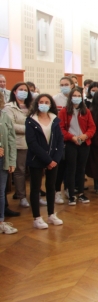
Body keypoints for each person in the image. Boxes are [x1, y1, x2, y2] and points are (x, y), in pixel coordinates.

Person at [25, 94, 64, 229]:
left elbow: (59, 140)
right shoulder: (31, 120)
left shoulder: (55, 120)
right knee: (35, 188)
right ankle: (37, 218)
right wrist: (47, 160)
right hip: (37, 158)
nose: (44, 104)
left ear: (50, 104)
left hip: (53, 159)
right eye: (41, 102)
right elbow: (32, 143)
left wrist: (55, 160)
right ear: (37, 104)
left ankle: (51, 214)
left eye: (46, 102)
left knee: (51, 187)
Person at [59, 88, 96, 205]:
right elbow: (61, 129)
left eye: (79, 95)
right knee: (71, 169)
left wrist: (86, 135)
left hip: (84, 143)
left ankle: (81, 193)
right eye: (74, 95)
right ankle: (71, 194)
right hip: (71, 143)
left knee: (81, 169)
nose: (76, 97)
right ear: (70, 97)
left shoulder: (86, 111)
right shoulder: (64, 111)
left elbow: (92, 127)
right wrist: (71, 137)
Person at [3, 83, 32, 208]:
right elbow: (10, 126)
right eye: (21, 89)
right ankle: (21, 196)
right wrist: (30, 129)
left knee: (34, 170)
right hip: (19, 143)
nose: (23, 92)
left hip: (33, 143)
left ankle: (34, 195)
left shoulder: (31, 105)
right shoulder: (8, 107)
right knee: (20, 171)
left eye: (26, 90)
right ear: (14, 91)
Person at [0, 93, 17, 234]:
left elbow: (11, 139)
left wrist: (11, 160)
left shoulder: (5, 116)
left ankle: (1, 221)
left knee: (1, 192)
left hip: (3, 160)